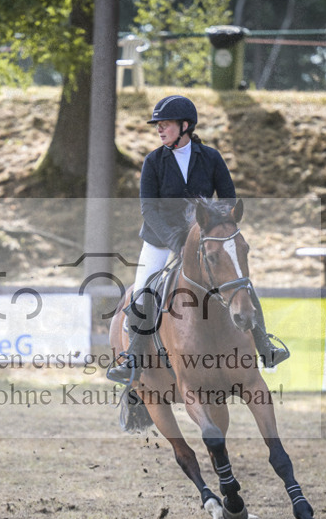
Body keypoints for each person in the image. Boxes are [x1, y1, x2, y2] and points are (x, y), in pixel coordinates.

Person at [106, 95, 289, 383]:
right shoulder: (153, 161)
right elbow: (148, 209)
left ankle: (265, 346)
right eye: (158, 125)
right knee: (143, 292)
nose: (159, 129)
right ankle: (133, 360)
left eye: (165, 124)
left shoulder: (211, 157)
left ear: (185, 126)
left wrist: (218, 224)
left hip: (205, 238)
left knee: (241, 282)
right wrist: (175, 240)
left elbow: (228, 196)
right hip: (160, 240)